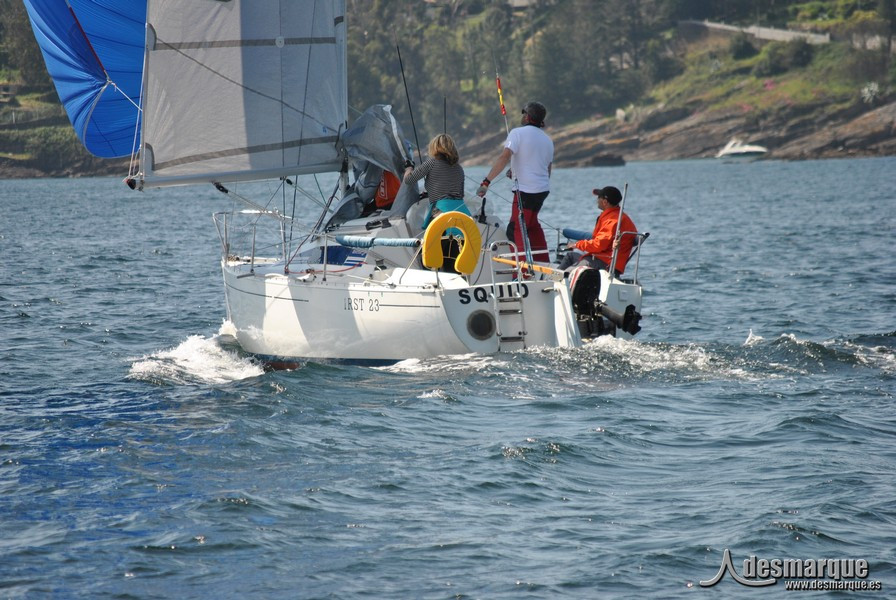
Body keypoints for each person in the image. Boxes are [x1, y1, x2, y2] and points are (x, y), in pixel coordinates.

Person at [476, 101, 553, 262]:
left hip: (526, 191)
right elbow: (546, 169)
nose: (523, 116)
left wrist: (486, 182)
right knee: (531, 225)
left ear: (528, 116)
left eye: (524, 114)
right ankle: (544, 263)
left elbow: (504, 157)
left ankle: (523, 271)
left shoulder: (517, 133)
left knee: (516, 228)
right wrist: (517, 171)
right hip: (542, 190)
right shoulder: (547, 140)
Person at [559, 186, 638, 275]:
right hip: (601, 259)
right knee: (570, 256)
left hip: (603, 263)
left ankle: (550, 283)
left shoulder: (612, 220)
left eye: (598, 198)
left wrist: (576, 244)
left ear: (605, 202)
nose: (597, 200)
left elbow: (599, 245)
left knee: (564, 274)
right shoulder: (621, 217)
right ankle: (551, 281)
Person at [403, 133, 470, 230]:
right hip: (462, 212)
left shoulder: (432, 162)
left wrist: (409, 167)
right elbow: (459, 193)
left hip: (441, 212)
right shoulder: (459, 168)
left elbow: (409, 180)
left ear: (434, 148)